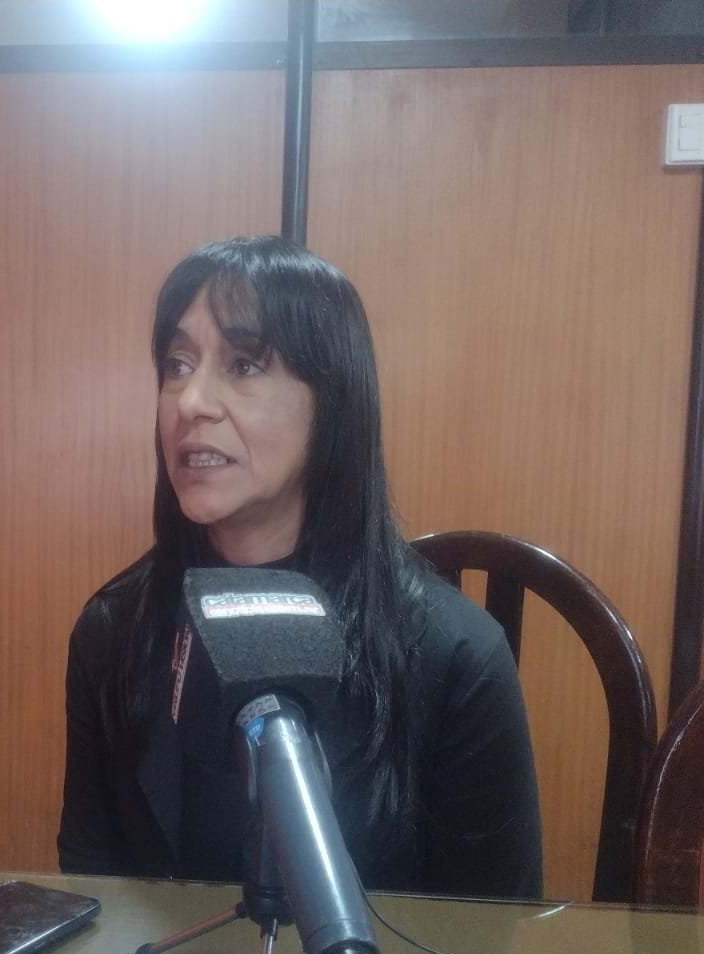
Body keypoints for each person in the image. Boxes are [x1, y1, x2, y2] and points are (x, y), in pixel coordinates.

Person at [57, 236, 541, 899]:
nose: (190, 401)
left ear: (332, 402)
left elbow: (489, 928)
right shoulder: (113, 632)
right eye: (177, 363)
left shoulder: (456, 655)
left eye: (244, 364)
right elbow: (92, 884)